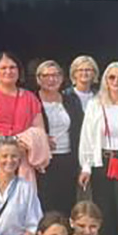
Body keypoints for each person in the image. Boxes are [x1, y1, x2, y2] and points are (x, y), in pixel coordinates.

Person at [78, 61, 118, 235]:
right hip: (101, 161)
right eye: (112, 77)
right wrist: (86, 166)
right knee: (104, 209)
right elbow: (87, 136)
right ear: (105, 79)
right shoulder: (95, 104)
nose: (116, 82)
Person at [0, 50, 44, 171]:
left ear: (19, 71)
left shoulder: (31, 98)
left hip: (22, 160)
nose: (8, 71)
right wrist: (11, 144)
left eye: (12, 67)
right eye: (3, 68)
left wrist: (30, 144)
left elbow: (39, 131)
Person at [34, 59, 84, 216]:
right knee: (45, 203)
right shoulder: (32, 100)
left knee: (67, 202)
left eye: (56, 75)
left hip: (68, 158)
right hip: (43, 161)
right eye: (46, 76)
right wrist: (40, 138)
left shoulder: (71, 100)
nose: (51, 79)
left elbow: (80, 128)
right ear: (38, 79)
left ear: (62, 78)